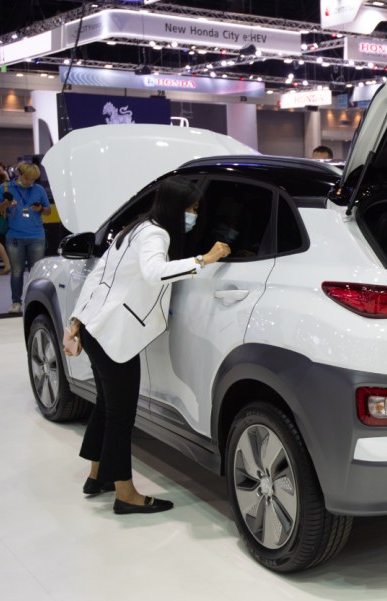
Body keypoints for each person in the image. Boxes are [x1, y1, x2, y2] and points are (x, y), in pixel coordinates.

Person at [63, 177, 231, 514]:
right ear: (175, 207)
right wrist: (206, 259)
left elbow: (99, 276)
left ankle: (97, 477)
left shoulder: (135, 228)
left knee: (107, 406)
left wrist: (77, 321)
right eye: (191, 209)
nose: (194, 215)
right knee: (120, 414)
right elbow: (154, 273)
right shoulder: (157, 234)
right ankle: (126, 495)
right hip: (115, 335)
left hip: (97, 327)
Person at [0, 162, 51, 313]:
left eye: (33, 179)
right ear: (19, 174)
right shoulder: (5, 188)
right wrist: (6, 204)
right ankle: (16, 302)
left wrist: (40, 208)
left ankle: (36, 303)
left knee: (36, 272)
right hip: (14, 236)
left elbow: (48, 211)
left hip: (36, 236)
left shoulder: (38, 189)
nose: (29, 182)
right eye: (27, 178)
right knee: (17, 271)